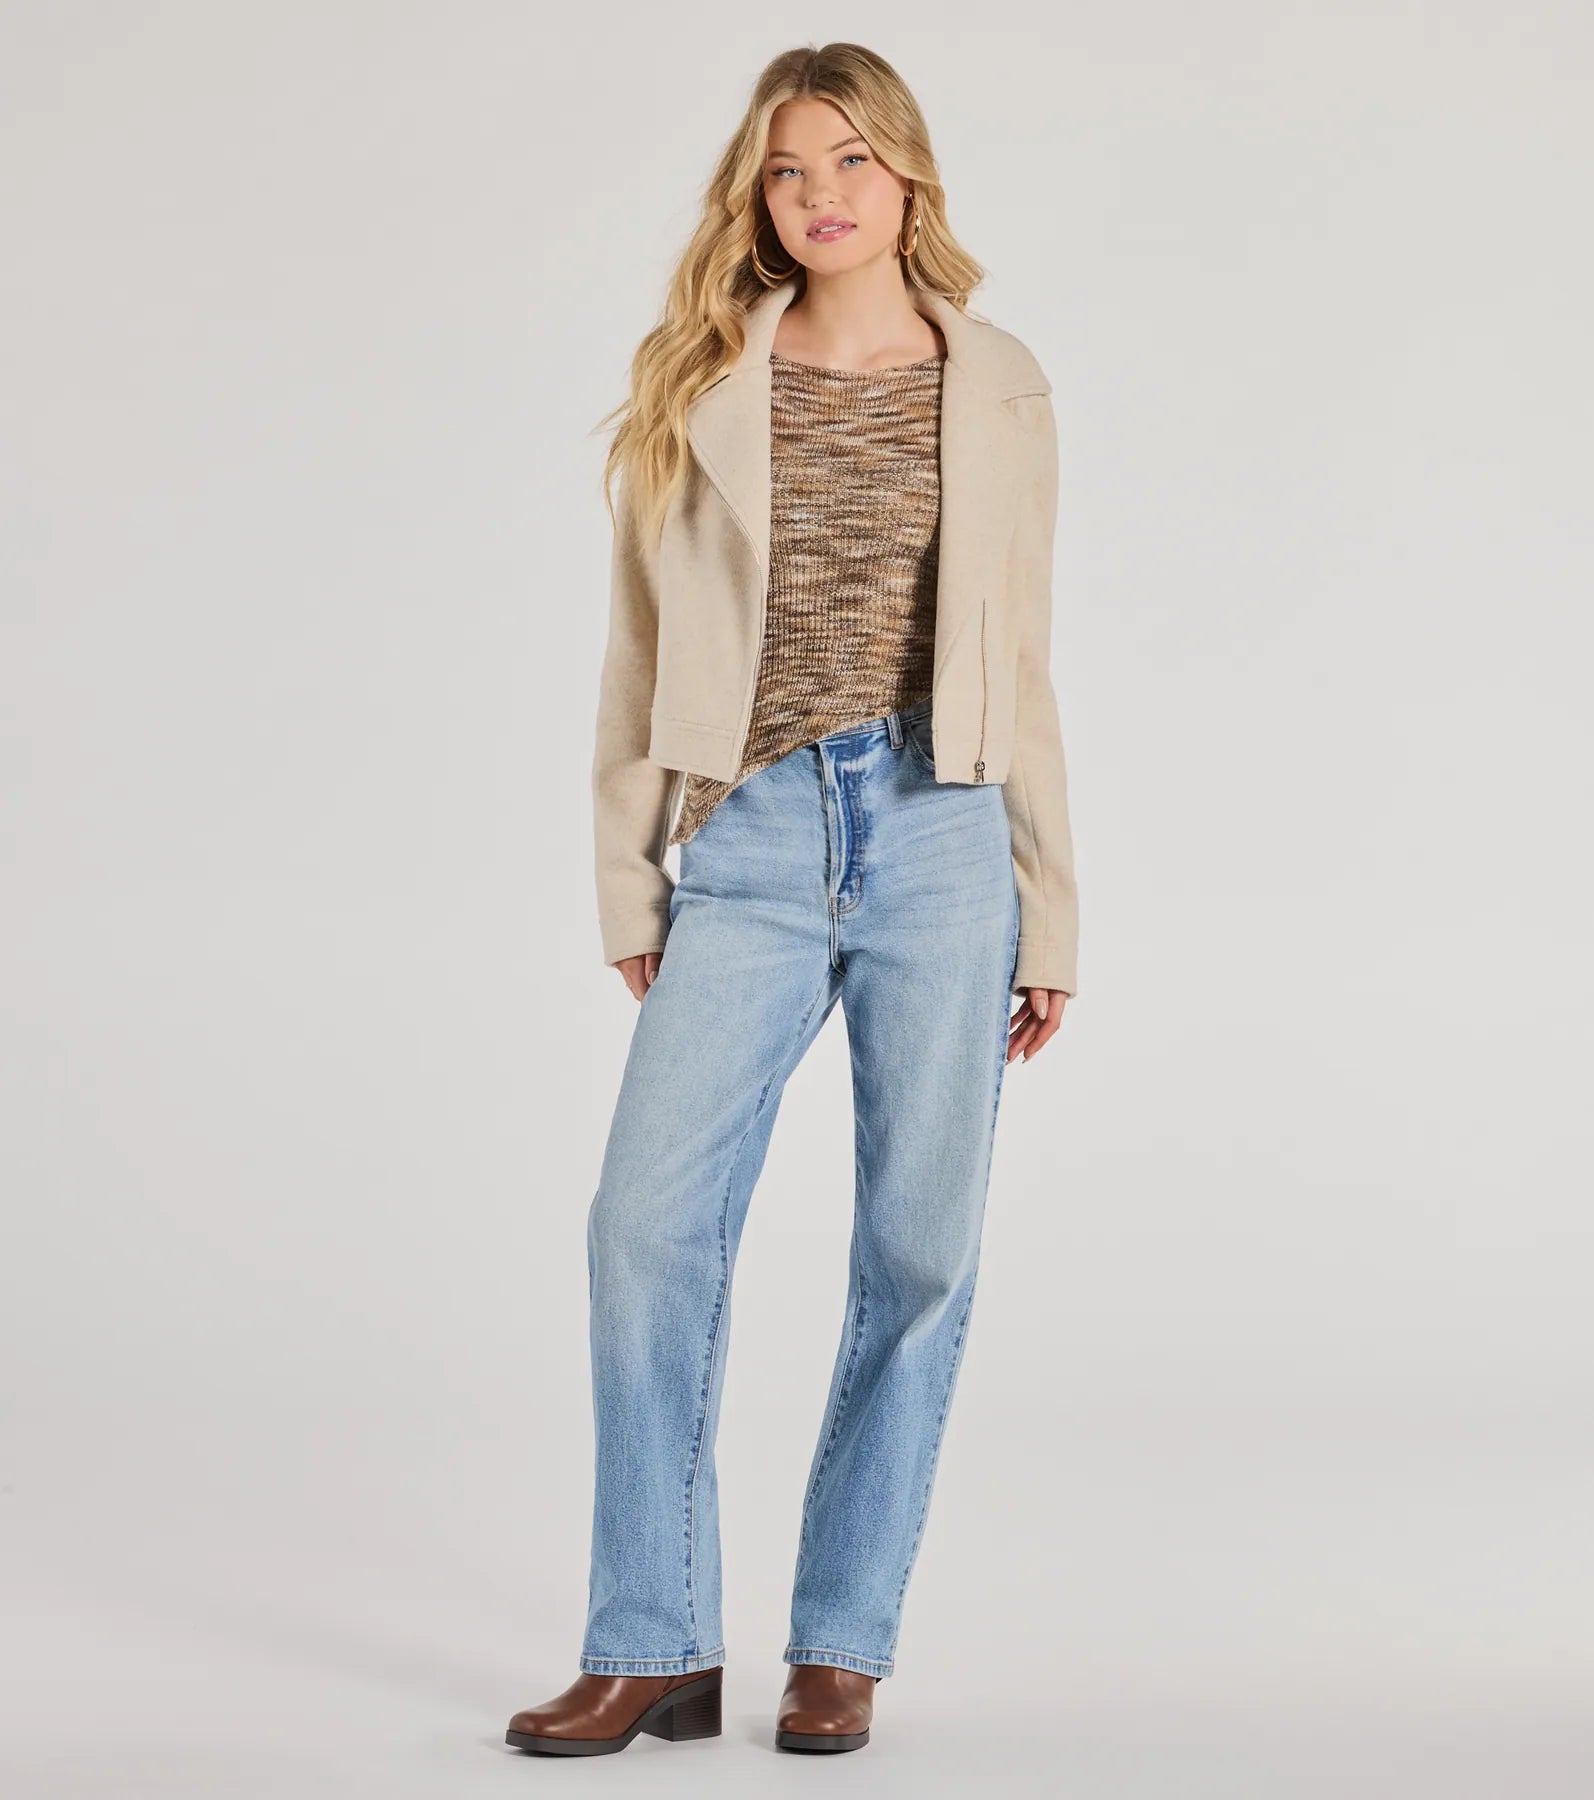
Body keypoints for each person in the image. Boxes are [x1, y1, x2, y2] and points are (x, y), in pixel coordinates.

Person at [505, 41, 1079, 1759]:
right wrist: (630, 878)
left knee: (917, 1251)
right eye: (784, 168)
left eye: (848, 161)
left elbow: (1023, 659)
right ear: (753, 197)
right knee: (642, 1229)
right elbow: (633, 648)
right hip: (748, 837)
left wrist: (1049, 908)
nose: (818, 194)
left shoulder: (998, 383)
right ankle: (653, 1639)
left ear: (906, 177)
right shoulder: (700, 381)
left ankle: (841, 1643)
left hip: (941, 832)